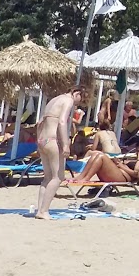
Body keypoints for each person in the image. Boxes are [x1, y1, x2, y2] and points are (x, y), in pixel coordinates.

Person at [32, 86, 85, 219]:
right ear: (77, 93)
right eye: (81, 98)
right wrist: (66, 144)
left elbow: (39, 123)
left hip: (42, 139)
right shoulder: (68, 101)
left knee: (47, 177)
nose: (79, 102)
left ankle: (40, 210)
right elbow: (62, 122)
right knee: (58, 177)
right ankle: (44, 211)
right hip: (52, 140)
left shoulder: (53, 100)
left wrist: (38, 142)